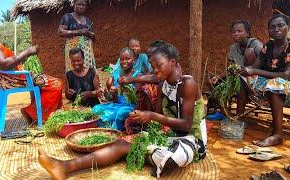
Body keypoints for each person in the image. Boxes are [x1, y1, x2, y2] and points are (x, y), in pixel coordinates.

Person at [38, 43, 207, 179]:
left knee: (170, 157)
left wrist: (152, 116)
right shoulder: (162, 85)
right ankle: (65, 166)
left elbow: (186, 125)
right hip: (169, 135)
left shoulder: (188, 83)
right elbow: (158, 120)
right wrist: (143, 120)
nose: (155, 70)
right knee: (122, 144)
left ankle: (157, 156)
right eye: (153, 67)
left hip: (190, 139)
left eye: (159, 66)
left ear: (173, 62)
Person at [0, 9, 63, 123]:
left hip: (11, 77)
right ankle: (32, 112)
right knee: (56, 84)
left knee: (42, 85)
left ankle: (38, 114)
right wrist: (27, 52)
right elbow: (4, 64)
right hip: (14, 79)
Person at [240, 14, 290, 147]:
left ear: (288, 28)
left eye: (280, 26)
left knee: (276, 84)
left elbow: (286, 75)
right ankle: (239, 121)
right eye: (272, 27)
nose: (276, 29)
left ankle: (278, 135)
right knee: (242, 79)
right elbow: (254, 67)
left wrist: (255, 71)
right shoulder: (269, 45)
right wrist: (243, 70)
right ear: (268, 31)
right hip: (268, 83)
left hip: (286, 87)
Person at [208, 20, 263, 115]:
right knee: (212, 82)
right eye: (234, 32)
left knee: (248, 53)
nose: (236, 34)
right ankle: (223, 113)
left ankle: (239, 115)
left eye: (239, 31)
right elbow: (232, 68)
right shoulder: (233, 49)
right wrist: (218, 77)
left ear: (247, 33)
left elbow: (264, 63)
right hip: (239, 77)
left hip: (255, 79)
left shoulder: (255, 44)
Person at [91, 47, 141, 130]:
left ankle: (114, 129)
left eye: (127, 59)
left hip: (130, 107)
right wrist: (108, 92)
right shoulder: (116, 74)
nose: (124, 62)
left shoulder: (137, 76)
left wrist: (122, 90)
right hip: (116, 106)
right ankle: (107, 126)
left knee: (121, 113)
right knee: (96, 109)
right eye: (122, 59)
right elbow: (111, 98)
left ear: (134, 60)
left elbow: (136, 99)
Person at [58, 0, 96, 72]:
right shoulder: (67, 17)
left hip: (87, 52)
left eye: (83, 5)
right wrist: (79, 31)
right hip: (73, 51)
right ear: (74, 5)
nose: (81, 7)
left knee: (88, 72)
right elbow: (60, 32)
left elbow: (93, 39)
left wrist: (91, 35)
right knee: (73, 71)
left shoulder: (88, 21)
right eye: (79, 4)